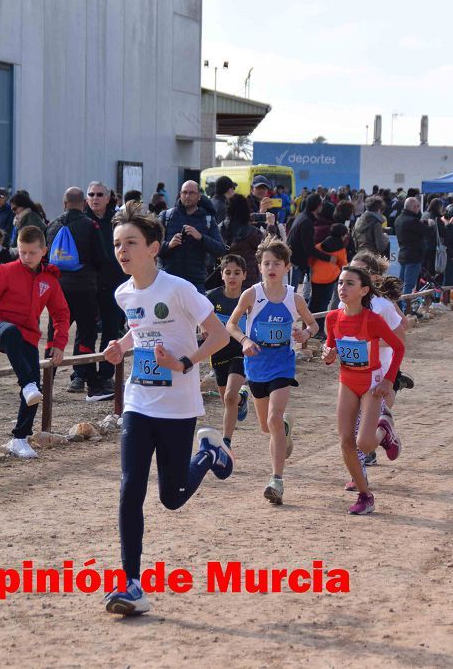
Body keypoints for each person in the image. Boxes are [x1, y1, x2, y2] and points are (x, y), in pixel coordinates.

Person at [100, 208, 232, 616]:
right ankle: (131, 583)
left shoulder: (179, 289)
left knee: (172, 497)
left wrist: (186, 363)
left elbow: (220, 335)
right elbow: (140, 329)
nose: (122, 250)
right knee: (129, 488)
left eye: (131, 243)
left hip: (177, 406)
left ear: (153, 248)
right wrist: (122, 346)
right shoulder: (124, 293)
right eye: (118, 243)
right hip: (139, 401)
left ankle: (209, 453)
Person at [225, 238, 319, 506]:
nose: (271, 267)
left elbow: (313, 325)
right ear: (260, 266)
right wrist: (244, 340)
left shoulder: (294, 297)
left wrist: (304, 333)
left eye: (276, 263)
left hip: (282, 363)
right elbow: (231, 324)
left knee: (274, 418)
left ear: (287, 267)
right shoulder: (252, 295)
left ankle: (276, 480)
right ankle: (284, 427)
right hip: (256, 365)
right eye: (266, 263)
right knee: (268, 427)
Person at [0, 225, 69, 458]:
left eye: (32, 252)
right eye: (22, 252)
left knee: (37, 390)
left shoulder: (50, 280)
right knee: (14, 339)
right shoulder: (5, 271)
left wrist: (58, 344)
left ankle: (20, 439)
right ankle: (27, 384)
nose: (26, 257)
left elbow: (61, 314)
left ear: (44, 251)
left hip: (28, 336)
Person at [323, 267, 405, 515]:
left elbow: (398, 348)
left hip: (371, 382)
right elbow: (329, 349)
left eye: (349, 283)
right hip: (347, 380)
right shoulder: (333, 318)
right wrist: (328, 355)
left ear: (364, 290)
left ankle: (384, 431)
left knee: (365, 443)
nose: (342, 288)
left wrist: (388, 381)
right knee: (346, 442)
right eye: (340, 283)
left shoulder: (373, 320)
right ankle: (364, 495)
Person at [45, 186, 109, 400]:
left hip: (58, 291)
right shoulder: (90, 225)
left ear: (64, 204)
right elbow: (101, 258)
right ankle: (93, 387)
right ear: (83, 204)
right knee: (86, 337)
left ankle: (44, 385)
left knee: (55, 337)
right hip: (84, 290)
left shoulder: (52, 226)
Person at [85, 181, 129, 396]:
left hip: (114, 283)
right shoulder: (82, 220)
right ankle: (82, 374)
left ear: (108, 196)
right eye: (91, 194)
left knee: (111, 329)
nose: (95, 198)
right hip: (88, 285)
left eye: (100, 194)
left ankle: (105, 374)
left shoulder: (117, 221)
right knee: (87, 331)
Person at [207, 254, 252, 450]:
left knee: (229, 397)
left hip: (240, 352)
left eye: (237, 273)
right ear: (222, 275)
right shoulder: (212, 297)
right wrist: (203, 326)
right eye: (228, 272)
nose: (232, 277)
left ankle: (226, 442)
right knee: (228, 398)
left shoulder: (249, 299)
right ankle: (243, 399)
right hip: (218, 353)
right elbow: (200, 317)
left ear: (244, 275)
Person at [159, 181, 227, 294]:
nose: (187, 196)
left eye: (191, 193)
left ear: (199, 196)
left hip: (195, 282)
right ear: (180, 194)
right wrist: (169, 245)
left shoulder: (208, 219)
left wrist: (201, 237)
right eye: (184, 192)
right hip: (168, 280)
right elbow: (151, 247)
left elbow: (220, 249)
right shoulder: (167, 216)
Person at [286, 193, 332, 295]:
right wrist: (329, 258)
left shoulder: (302, 216)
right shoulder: (307, 222)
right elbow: (309, 248)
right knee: (289, 293)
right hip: (294, 262)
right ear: (318, 206)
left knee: (291, 292)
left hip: (294, 260)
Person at [309, 223, 349, 339]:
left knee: (313, 302)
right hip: (331, 278)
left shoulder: (320, 245)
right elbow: (343, 263)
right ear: (342, 235)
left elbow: (312, 259)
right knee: (323, 304)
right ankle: (320, 330)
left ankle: (309, 327)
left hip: (316, 277)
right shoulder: (341, 248)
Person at [219, 194, 266, 288]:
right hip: (249, 278)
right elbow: (264, 248)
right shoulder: (253, 232)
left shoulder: (220, 228)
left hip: (226, 277)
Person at [394, 196, 425, 294]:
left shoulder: (399, 218)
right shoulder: (412, 221)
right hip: (413, 255)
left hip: (403, 252)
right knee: (409, 284)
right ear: (413, 207)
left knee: (401, 282)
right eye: (417, 206)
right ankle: (405, 307)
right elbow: (427, 231)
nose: (419, 208)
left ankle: (397, 305)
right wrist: (430, 224)